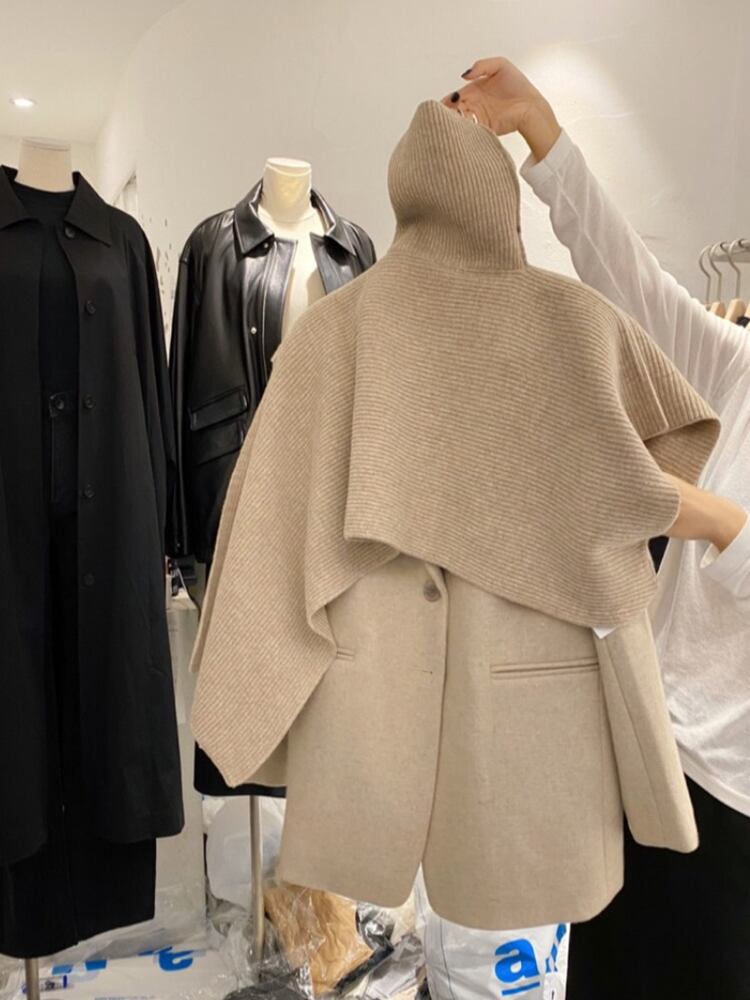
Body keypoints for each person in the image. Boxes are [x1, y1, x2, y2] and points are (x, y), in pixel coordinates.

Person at [442, 57, 750, 997]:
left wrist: (705, 516)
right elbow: (636, 287)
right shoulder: (743, 367)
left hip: (736, 797)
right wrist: (541, 128)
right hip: (651, 748)